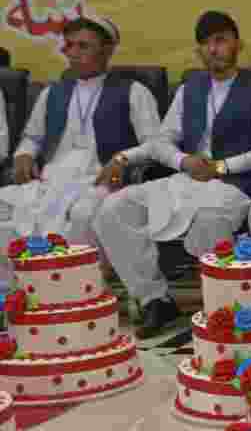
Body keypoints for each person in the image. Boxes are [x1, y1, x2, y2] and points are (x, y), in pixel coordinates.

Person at [94, 11, 251, 335]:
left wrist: (223, 166)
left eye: (220, 40)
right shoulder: (189, 90)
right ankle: (155, 299)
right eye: (205, 44)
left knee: (209, 223)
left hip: (235, 185)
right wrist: (183, 161)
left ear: (237, 44)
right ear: (199, 51)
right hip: (184, 180)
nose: (213, 49)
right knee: (112, 210)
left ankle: (223, 311)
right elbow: (161, 141)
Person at [0, 17, 160, 291]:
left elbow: (156, 144)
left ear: (107, 50)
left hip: (99, 181)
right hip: (51, 181)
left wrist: (124, 159)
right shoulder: (52, 93)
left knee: (83, 213)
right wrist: (24, 155)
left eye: (83, 46)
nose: (73, 53)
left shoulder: (134, 92)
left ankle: (74, 293)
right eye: (69, 46)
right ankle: (12, 292)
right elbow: (31, 137)